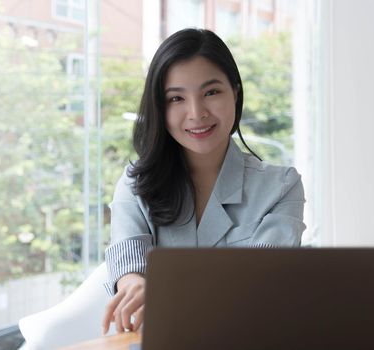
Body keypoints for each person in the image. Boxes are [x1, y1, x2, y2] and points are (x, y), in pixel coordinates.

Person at [101, 28, 306, 335]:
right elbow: (128, 263)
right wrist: (136, 286)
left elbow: (261, 283)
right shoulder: (135, 184)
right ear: (160, 107)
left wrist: (164, 293)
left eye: (211, 92)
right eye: (176, 98)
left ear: (234, 93)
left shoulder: (282, 187)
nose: (196, 113)